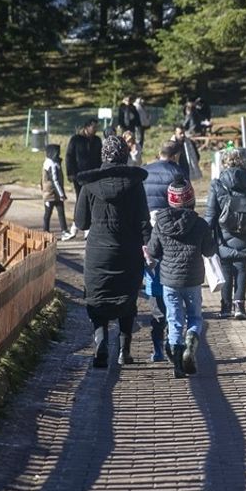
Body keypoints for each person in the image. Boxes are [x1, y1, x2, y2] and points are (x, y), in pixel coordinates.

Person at [74, 135, 151, 368]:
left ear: (103, 156)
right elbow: (143, 221)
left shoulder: (89, 186)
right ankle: (124, 351)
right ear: (125, 155)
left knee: (98, 297)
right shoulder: (135, 185)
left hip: (98, 249)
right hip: (128, 249)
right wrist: (149, 248)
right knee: (126, 297)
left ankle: (100, 343)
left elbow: (81, 222)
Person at [148, 178, 215, 378]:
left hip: (169, 280)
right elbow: (210, 251)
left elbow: (153, 250)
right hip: (193, 279)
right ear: (191, 198)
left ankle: (177, 365)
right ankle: (191, 340)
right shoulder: (200, 224)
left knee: (174, 319)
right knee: (194, 316)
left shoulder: (160, 223)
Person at [204, 147, 246, 320]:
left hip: (223, 236)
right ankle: (239, 306)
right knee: (242, 270)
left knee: (225, 269)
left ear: (224, 163)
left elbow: (211, 214)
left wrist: (205, 237)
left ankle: (226, 307)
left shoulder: (217, 185)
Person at [140, 141, 183, 363]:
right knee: (172, 292)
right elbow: (184, 207)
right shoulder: (177, 173)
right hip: (171, 238)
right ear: (175, 156)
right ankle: (172, 341)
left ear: (159, 153)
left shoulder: (145, 172)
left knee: (155, 291)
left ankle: (156, 347)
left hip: (149, 238)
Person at [64, 118, 103, 241]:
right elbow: (69, 156)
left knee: (92, 201)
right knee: (80, 200)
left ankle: (88, 229)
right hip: (79, 176)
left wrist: (100, 172)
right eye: (93, 127)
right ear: (86, 127)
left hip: (93, 175)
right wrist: (70, 173)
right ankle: (75, 226)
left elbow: (100, 157)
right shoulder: (76, 140)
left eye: (97, 127)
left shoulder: (97, 140)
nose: (95, 130)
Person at [40, 143, 68, 234]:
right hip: (51, 194)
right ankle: (46, 231)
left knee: (60, 211)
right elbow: (55, 180)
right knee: (48, 213)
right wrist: (61, 194)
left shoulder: (48, 162)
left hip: (51, 193)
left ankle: (64, 230)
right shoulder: (51, 164)